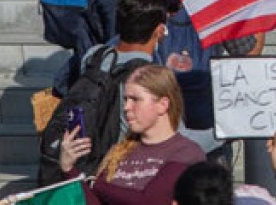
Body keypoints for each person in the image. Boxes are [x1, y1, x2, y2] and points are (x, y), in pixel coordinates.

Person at [59, 65, 205, 205]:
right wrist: (69, 170)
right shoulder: (119, 152)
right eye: (125, 99)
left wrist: (95, 185)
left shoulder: (187, 152)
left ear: (162, 104)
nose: (126, 107)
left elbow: (150, 202)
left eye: (135, 99)